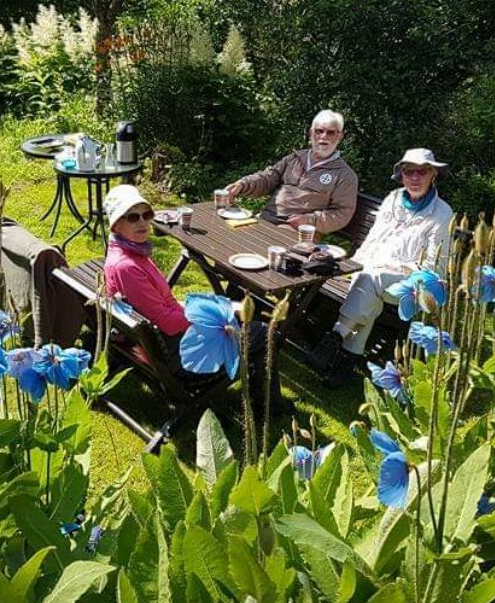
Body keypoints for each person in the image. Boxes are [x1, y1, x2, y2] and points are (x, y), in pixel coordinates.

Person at [102, 184, 289, 414]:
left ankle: (265, 400)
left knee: (240, 317)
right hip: (177, 358)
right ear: (116, 224)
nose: (142, 222)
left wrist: (217, 308)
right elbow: (169, 323)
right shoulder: (127, 267)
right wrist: (223, 312)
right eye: (132, 217)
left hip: (158, 344)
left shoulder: (127, 253)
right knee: (262, 332)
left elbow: (161, 307)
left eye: (146, 214)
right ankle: (270, 408)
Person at [308, 148, 454, 386]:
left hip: (410, 285)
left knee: (370, 280)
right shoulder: (393, 199)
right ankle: (345, 362)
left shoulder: (442, 213)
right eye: (409, 171)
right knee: (368, 285)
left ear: (433, 174)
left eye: (422, 171)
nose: (415, 177)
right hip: (369, 272)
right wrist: (355, 263)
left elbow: (433, 268)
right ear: (402, 175)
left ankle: (335, 336)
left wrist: (398, 269)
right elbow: (373, 239)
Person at [225, 109, 358, 233]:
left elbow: (342, 213)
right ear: (311, 133)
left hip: (297, 231)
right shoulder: (294, 158)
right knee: (224, 231)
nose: (324, 137)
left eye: (331, 132)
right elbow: (268, 178)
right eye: (319, 131)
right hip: (265, 219)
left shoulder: (345, 175)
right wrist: (242, 185)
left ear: (339, 137)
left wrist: (310, 220)